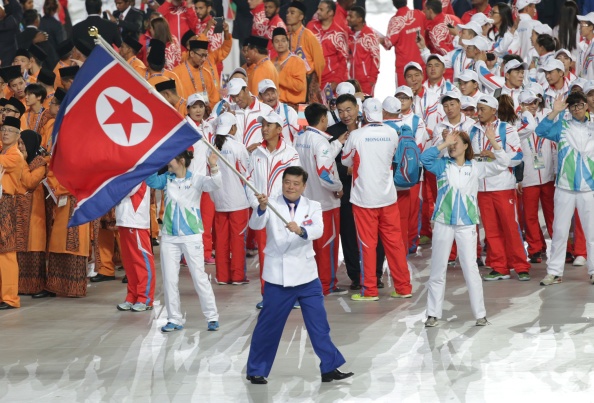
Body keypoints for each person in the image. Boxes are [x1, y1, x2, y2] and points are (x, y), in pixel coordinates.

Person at [245, 166, 353, 385]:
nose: (291, 187)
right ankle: (256, 369)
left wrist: (302, 231)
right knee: (268, 326)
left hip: (307, 277)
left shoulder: (312, 206)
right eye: (287, 182)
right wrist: (261, 208)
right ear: (282, 183)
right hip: (278, 278)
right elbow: (255, 224)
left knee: (319, 324)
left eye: (296, 183)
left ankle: (329, 367)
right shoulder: (271, 203)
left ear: (304, 186)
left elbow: (318, 230)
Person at [422, 128, 508, 327]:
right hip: (443, 223)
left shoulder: (476, 167)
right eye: (450, 143)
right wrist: (443, 144)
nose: (452, 146)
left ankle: (480, 314)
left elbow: (503, 163)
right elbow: (424, 159)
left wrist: (492, 140)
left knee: (471, 269)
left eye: (456, 143)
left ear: (466, 146)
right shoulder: (442, 165)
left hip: (467, 224)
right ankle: (433, 313)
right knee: (438, 269)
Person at [341, 98, 413, 301]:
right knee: (395, 244)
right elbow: (393, 157)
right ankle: (403, 287)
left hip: (364, 199)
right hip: (388, 197)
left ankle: (370, 290)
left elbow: (346, 160)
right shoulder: (391, 133)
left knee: (367, 245)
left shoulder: (356, 135)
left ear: (363, 113)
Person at [146, 149, 221, 332]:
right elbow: (150, 180)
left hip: (191, 236)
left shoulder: (196, 178)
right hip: (169, 237)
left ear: (180, 160)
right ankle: (174, 319)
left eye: (169, 160)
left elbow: (216, 184)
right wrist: (156, 161)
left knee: (199, 277)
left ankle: (212, 316)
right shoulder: (166, 179)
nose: (167, 163)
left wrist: (214, 166)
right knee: (170, 280)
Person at [469, 95, 530, 281]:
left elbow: (518, 156)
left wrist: (496, 154)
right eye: (477, 109)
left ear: (493, 111)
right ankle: (499, 266)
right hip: (481, 186)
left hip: (503, 185)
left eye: (482, 109)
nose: (478, 113)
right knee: (491, 228)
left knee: (510, 226)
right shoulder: (472, 130)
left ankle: (521, 265)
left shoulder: (506, 128)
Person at [536, 93, 594, 286]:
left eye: (579, 105)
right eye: (573, 107)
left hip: (588, 187)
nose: (576, 109)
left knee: (591, 232)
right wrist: (555, 112)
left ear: (586, 105)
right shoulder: (563, 126)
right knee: (559, 231)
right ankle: (554, 272)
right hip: (564, 187)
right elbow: (541, 130)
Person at [246, 111, 300, 308]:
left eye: (269, 125)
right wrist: (257, 204)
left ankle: (291, 296)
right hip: (263, 212)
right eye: (263, 125)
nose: (265, 129)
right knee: (265, 255)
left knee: (287, 254)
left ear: (279, 129)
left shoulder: (290, 153)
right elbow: (248, 182)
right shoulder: (256, 154)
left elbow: (297, 183)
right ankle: (267, 295)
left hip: (284, 213)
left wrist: (290, 206)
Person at [295, 103, 347, 295]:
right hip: (326, 203)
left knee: (312, 246)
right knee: (327, 246)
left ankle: (314, 282)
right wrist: (338, 188)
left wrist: (337, 143)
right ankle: (327, 285)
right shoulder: (319, 142)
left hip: (307, 201)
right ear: (323, 119)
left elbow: (319, 157)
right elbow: (324, 172)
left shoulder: (300, 138)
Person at [210, 112, 250, 285]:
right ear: (233, 127)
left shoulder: (212, 145)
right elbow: (246, 174)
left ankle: (222, 276)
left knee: (221, 240)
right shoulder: (238, 147)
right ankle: (238, 276)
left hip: (219, 201)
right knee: (237, 240)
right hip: (238, 201)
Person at [516, 89, 555, 264]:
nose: (532, 106)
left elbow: (554, 143)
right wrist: (518, 178)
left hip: (548, 173)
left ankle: (561, 247)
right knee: (530, 216)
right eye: (527, 103)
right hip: (528, 175)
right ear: (521, 105)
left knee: (553, 214)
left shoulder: (548, 116)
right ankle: (535, 248)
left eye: (534, 102)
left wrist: (556, 170)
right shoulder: (516, 121)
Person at [114, 179, 156, 312]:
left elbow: (125, 189)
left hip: (137, 221)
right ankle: (132, 296)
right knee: (129, 263)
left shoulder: (139, 169)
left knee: (141, 262)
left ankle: (145, 298)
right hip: (124, 220)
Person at [16, 130, 48, 298]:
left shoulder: (40, 163)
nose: (20, 147)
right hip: (20, 211)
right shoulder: (20, 161)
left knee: (34, 247)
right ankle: (21, 286)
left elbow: (29, 182)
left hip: (35, 214)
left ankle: (36, 286)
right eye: (18, 143)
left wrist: (21, 161)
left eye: (22, 143)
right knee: (20, 249)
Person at [0, 116, 24, 309]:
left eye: (10, 130)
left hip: (5, 205)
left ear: (17, 135)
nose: (5, 132)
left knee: (7, 252)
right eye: (4, 130)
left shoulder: (15, 155)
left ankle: (10, 297)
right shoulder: (4, 151)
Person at [285, 0, 325, 103]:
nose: (288, 15)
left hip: (307, 81)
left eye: (292, 13)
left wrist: (316, 84)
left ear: (301, 17)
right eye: (287, 13)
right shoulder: (286, 37)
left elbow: (319, 63)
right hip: (291, 81)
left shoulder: (309, 36)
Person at [307, 0, 349, 92]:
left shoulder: (338, 34)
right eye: (318, 9)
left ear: (330, 12)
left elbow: (343, 61)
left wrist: (336, 81)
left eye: (321, 10)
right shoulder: (310, 27)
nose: (317, 12)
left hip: (330, 80)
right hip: (312, 78)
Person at [384, 0, 425, 87]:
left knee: (403, 98)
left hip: (404, 70)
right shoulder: (419, 14)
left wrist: (378, 37)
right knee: (423, 97)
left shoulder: (395, 21)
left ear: (393, 3)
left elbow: (387, 44)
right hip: (420, 66)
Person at [226, 77, 273, 149]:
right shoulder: (229, 111)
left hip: (258, 157)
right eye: (233, 97)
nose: (236, 99)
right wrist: (227, 119)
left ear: (247, 90)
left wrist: (261, 145)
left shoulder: (266, 111)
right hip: (236, 159)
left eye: (238, 95)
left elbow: (277, 136)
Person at [173, 39, 217, 109]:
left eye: (205, 56)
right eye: (201, 55)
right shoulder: (176, 73)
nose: (203, 59)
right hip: (185, 116)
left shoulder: (206, 73)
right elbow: (174, 99)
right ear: (192, 54)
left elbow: (214, 98)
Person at [346, 6, 380, 96]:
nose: (348, 19)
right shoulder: (350, 35)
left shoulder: (370, 35)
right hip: (352, 80)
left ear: (359, 19)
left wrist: (372, 79)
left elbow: (376, 58)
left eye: (351, 16)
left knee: (366, 106)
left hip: (366, 81)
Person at [271, 27, 307, 107]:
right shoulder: (271, 62)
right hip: (276, 105)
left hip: (293, 106)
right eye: (276, 41)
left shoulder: (297, 61)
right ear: (272, 44)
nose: (280, 44)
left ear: (288, 42)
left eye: (283, 41)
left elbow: (299, 86)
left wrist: (279, 75)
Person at [258, 79, 299, 145]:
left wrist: (293, 152)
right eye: (267, 94)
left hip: (287, 154)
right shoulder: (258, 114)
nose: (271, 97)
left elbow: (300, 133)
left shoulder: (288, 110)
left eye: (273, 93)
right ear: (260, 96)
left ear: (277, 93)